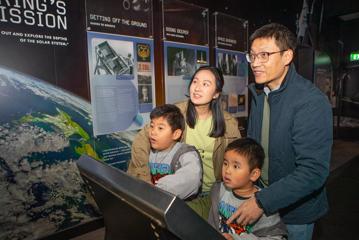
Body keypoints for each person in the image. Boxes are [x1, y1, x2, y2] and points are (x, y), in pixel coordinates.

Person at [227, 23, 333, 240]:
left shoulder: (310, 102)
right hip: (261, 202)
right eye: (253, 56)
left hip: (294, 215)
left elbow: (313, 172)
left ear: (287, 57)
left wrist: (261, 201)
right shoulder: (259, 92)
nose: (255, 63)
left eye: (264, 55)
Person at [127, 66, 241, 219]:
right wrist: (144, 179)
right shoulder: (176, 113)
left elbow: (239, 161)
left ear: (216, 94)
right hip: (178, 190)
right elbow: (141, 141)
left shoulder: (229, 124)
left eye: (205, 84)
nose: (197, 88)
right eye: (195, 81)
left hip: (214, 194)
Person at [208, 138, 287, 240]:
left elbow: (276, 237)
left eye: (236, 166)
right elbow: (211, 223)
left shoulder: (264, 205)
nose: (227, 170)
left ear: (254, 174)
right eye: (225, 163)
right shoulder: (219, 190)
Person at [147, 104, 202, 200]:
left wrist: (155, 191)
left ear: (176, 134)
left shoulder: (185, 153)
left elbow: (192, 178)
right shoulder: (148, 150)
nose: (153, 132)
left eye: (160, 128)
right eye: (152, 126)